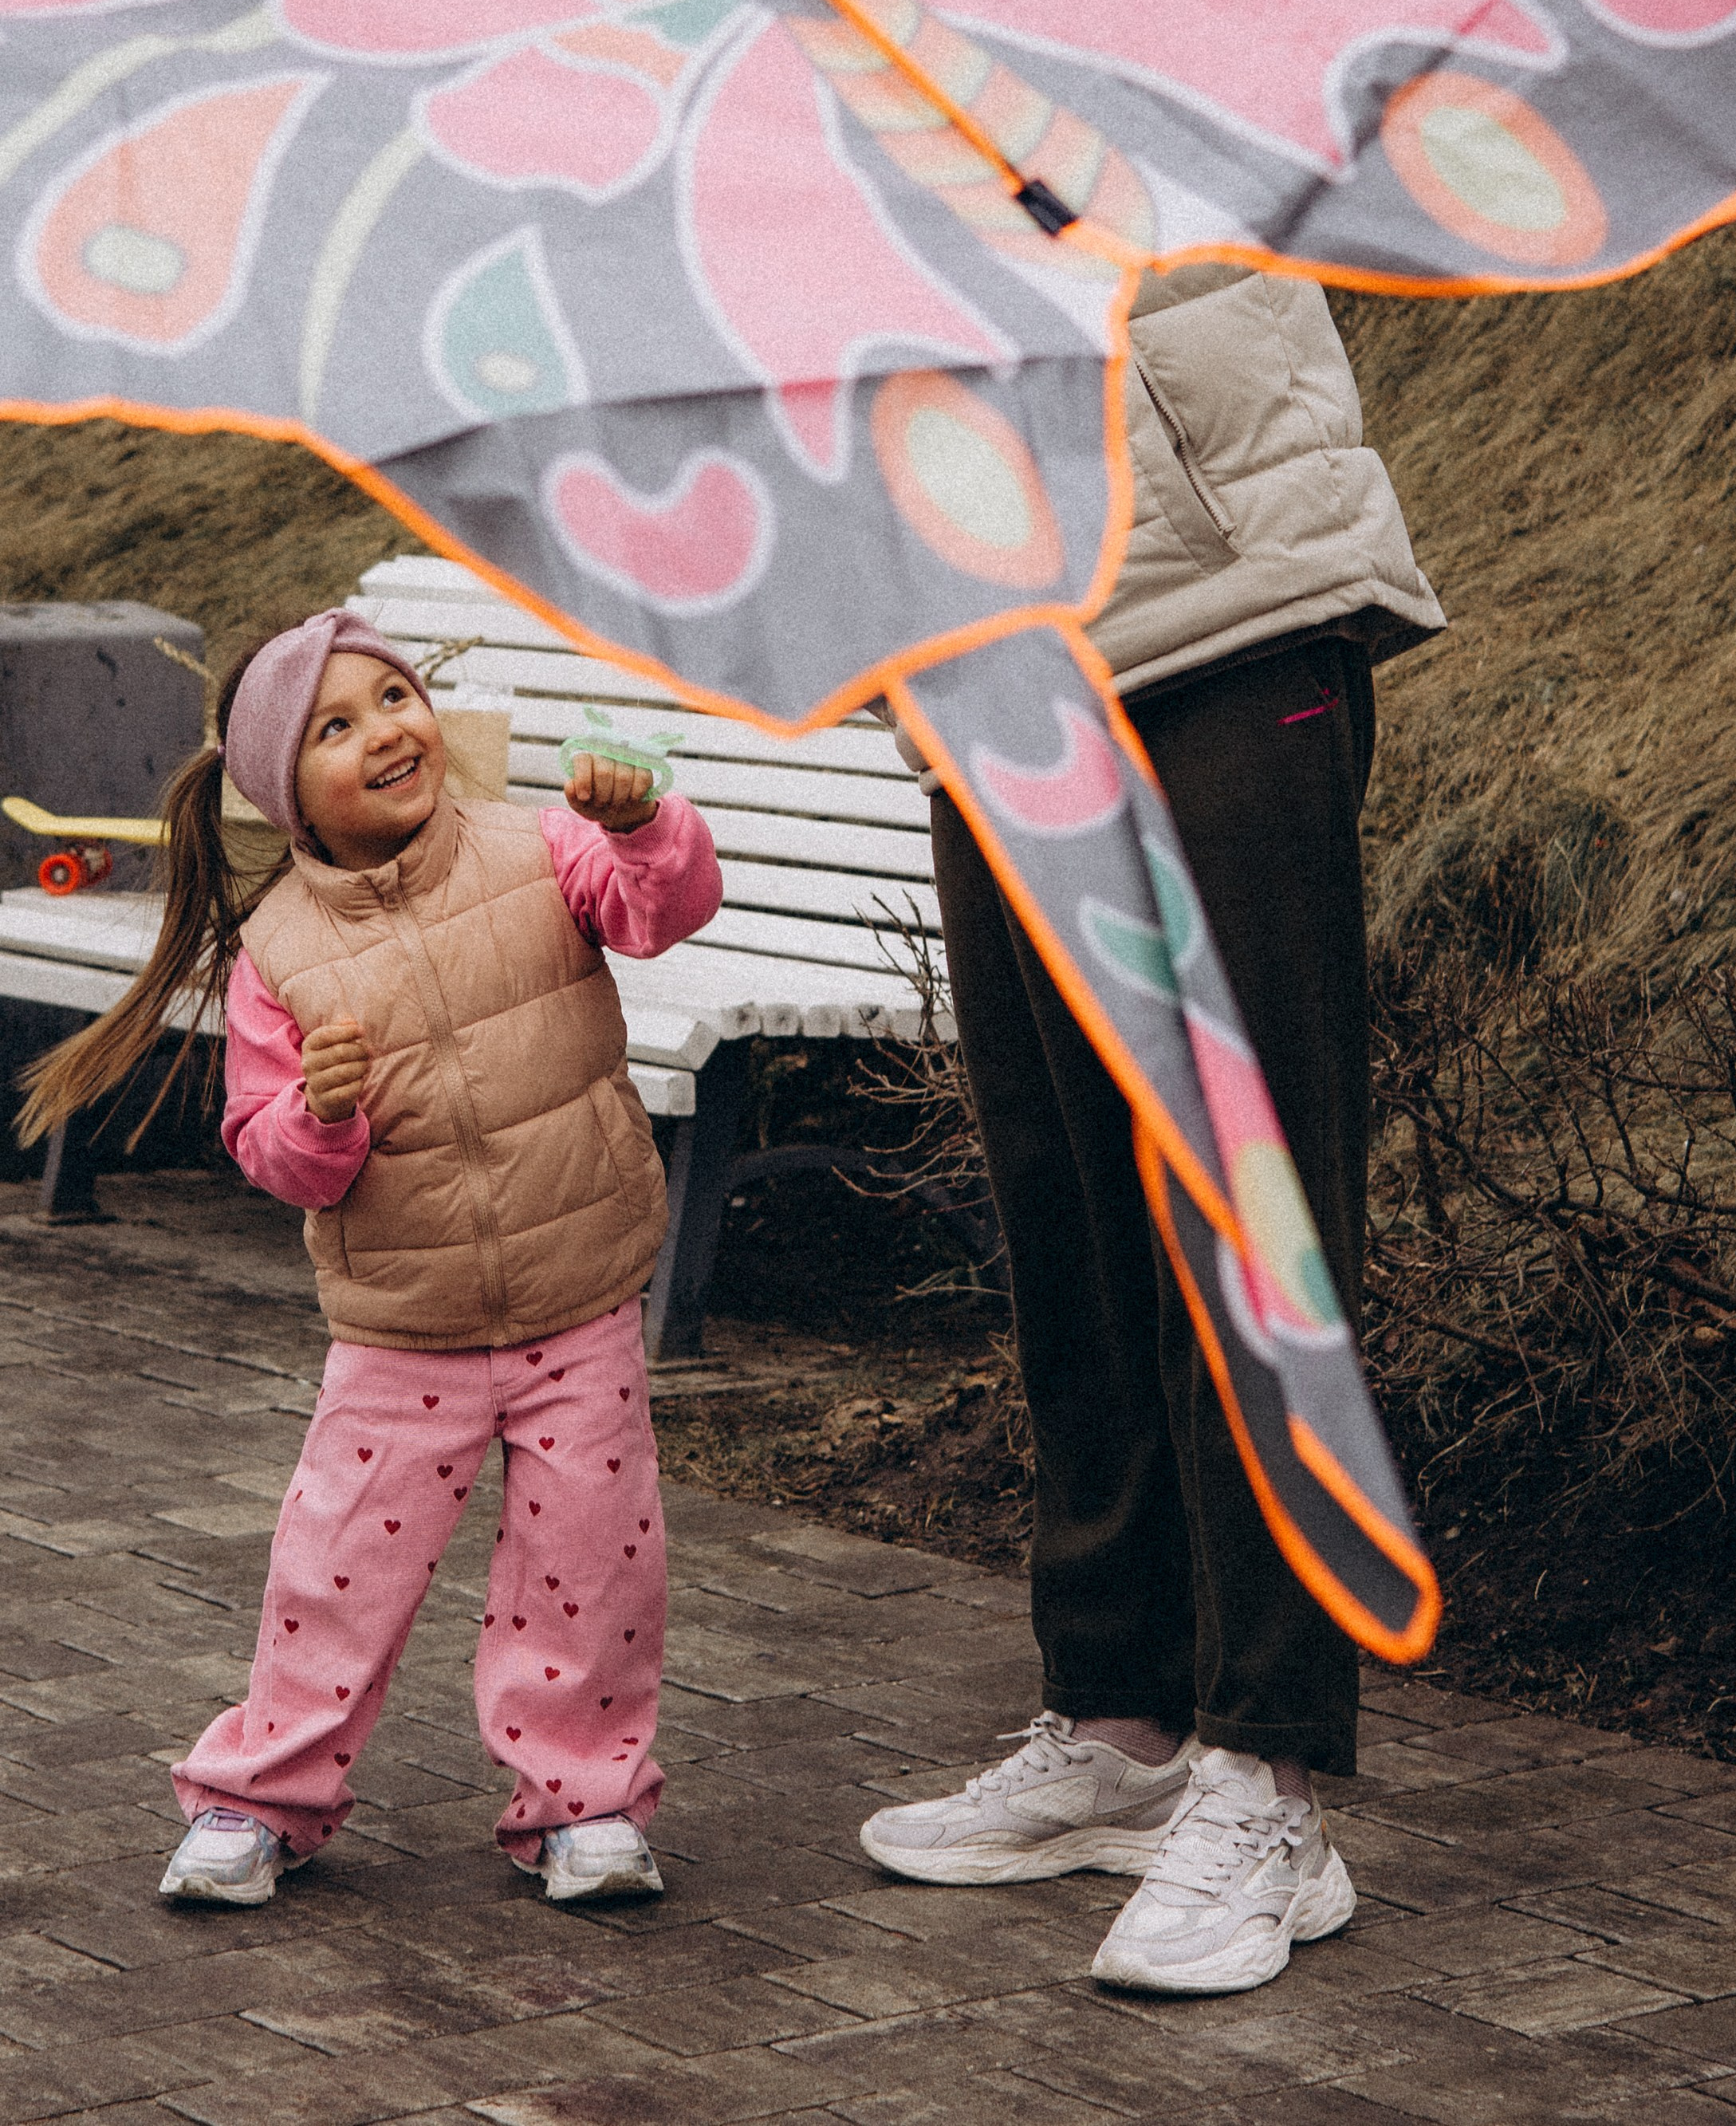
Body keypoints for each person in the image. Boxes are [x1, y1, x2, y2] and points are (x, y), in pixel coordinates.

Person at [860, 262, 1444, 1995]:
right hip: (989, 649)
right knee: (1066, 1214)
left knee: (1249, 1213)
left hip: (1226, 603)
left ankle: (1274, 1772)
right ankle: (1118, 1726)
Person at [21, 607, 721, 1909]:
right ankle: (260, 1795)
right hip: (404, 1329)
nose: (386, 729)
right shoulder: (281, 949)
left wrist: (642, 823)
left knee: (593, 1564)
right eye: (338, 726)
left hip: (581, 1299)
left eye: (394, 695)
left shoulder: (540, 844)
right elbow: (266, 1150)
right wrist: (320, 1114)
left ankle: (587, 1801)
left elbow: (659, 910)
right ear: (291, 790)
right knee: (335, 1573)